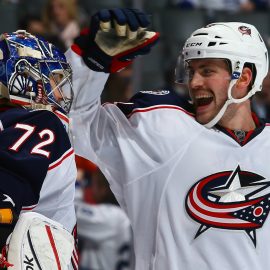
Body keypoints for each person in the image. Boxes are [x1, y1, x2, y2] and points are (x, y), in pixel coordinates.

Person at [67, 8, 269, 270]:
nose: (194, 82)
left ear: (244, 78)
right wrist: (91, 64)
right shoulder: (161, 125)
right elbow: (76, 127)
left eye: (206, 71)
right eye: (191, 71)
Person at [0, 30, 78, 269]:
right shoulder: (41, 122)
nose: (60, 92)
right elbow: (6, 190)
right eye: (54, 79)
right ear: (26, 76)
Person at [76, 169, 133, 270]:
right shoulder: (124, 214)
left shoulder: (112, 215)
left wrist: (76, 183)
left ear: (103, 189)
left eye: (93, 184)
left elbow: (73, 212)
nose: (90, 188)